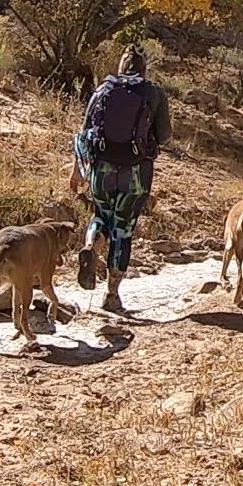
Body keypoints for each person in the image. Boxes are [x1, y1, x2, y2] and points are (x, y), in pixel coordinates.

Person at [70, 46, 172, 311]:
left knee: (101, 216)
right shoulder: (153, 92)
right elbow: (165, 136)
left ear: (120, 65)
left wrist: (77, 170)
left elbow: (84, 132)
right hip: (135, 173)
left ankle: (91, 244)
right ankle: (112, 294)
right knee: (122, 228)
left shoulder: (103, 89)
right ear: (143, 67)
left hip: (101, 168)